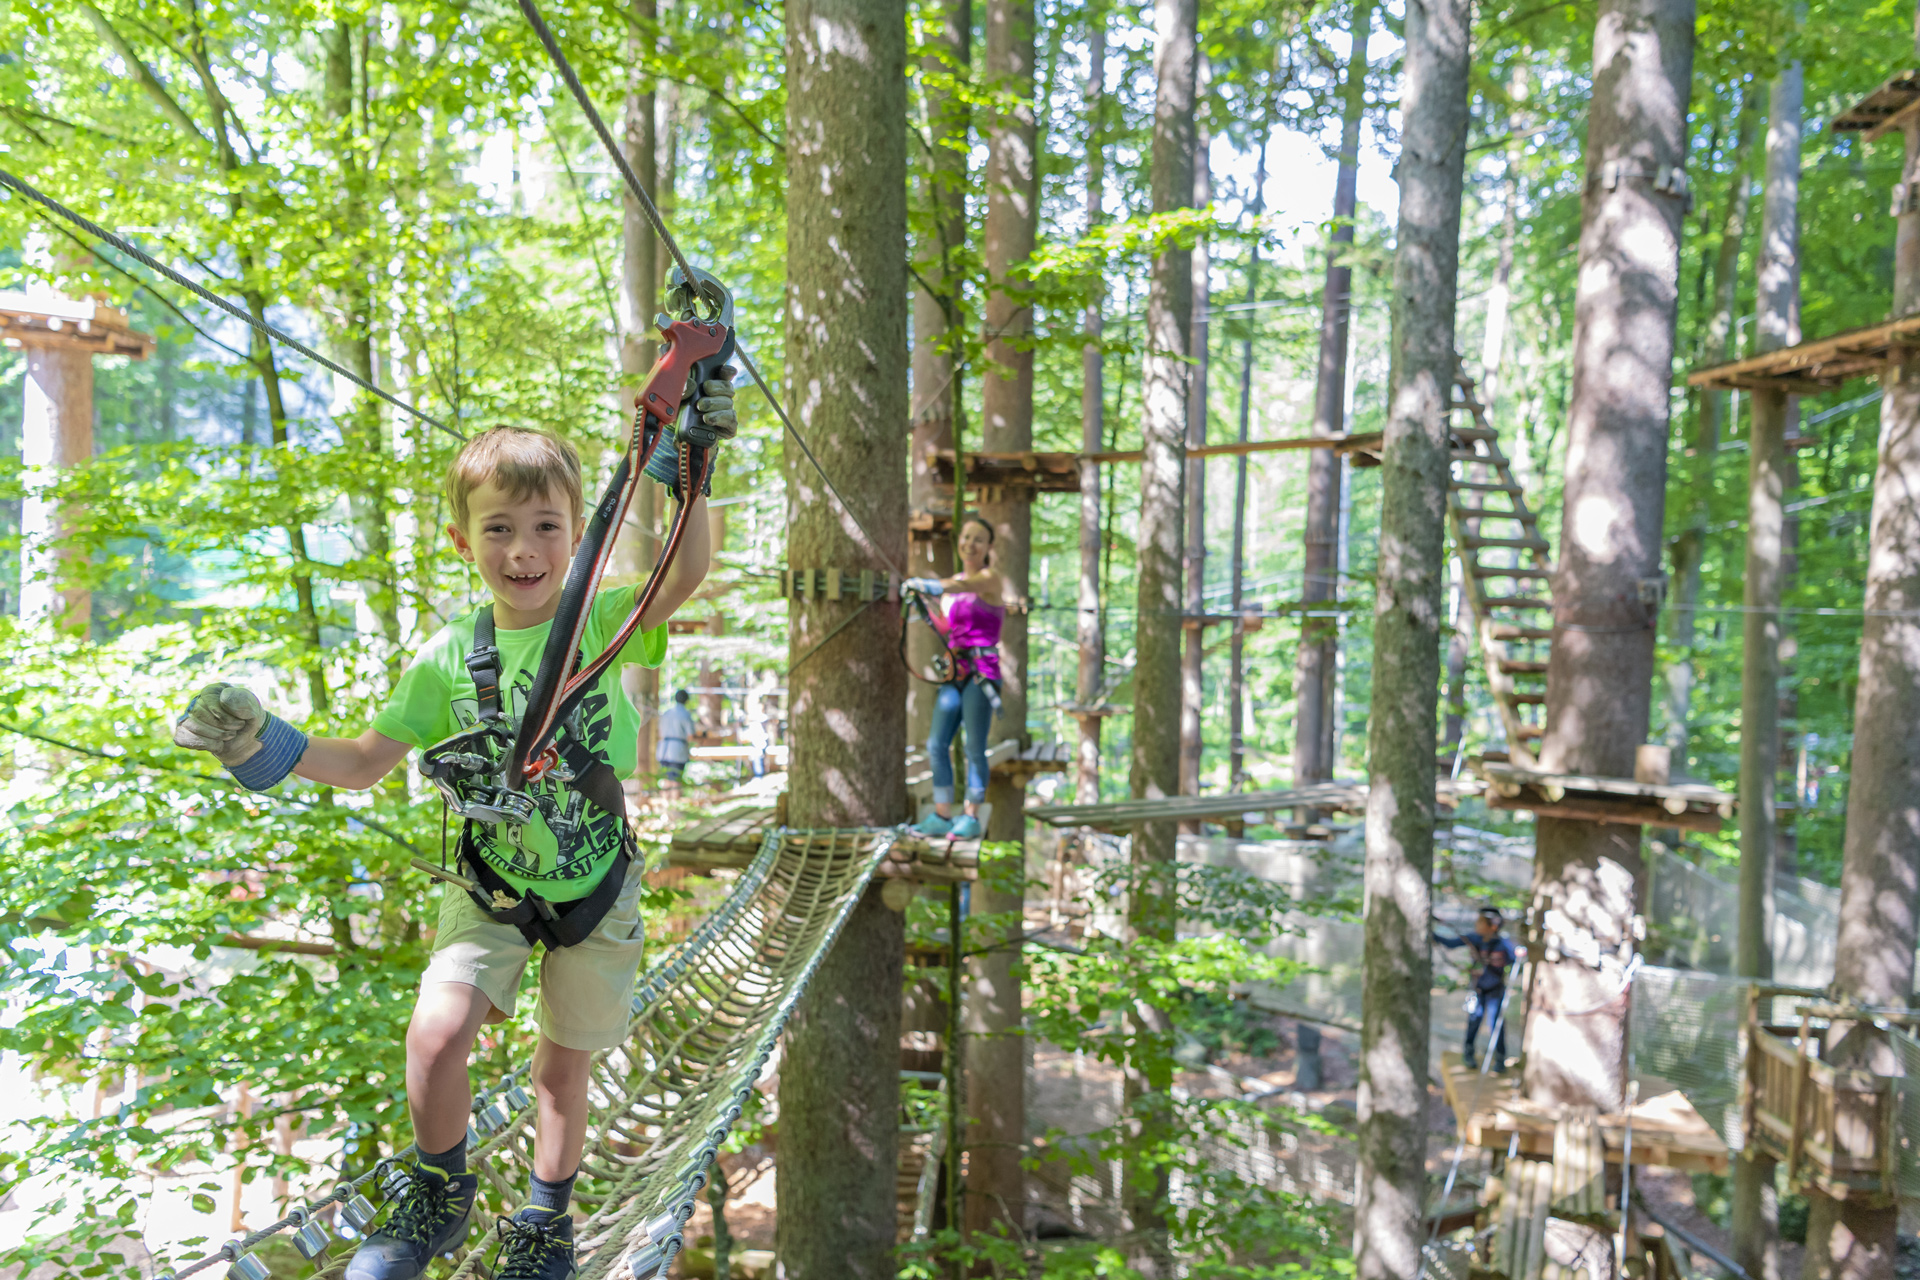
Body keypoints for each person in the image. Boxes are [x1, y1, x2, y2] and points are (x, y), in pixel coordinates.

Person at [170, 385, 733, 1280]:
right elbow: (362, 762)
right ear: (463, 541)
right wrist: (260, 745)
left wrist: (691, 471)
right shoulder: (445, 658)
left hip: (594, 885)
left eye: (548, 526)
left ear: (578, 531)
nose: (525, 549)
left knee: (561, 1068)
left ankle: (547, 1219)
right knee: (435, 1034)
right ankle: (441, 1189)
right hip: (492, 885)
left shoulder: (602, 623)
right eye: (500, 527)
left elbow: (684, 572)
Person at [902, 513, 1005, 840]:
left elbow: (962, 585)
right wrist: (923, 606)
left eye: (978, 539)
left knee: (974, 745)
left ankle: (971, 815)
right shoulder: (951, 590)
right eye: (966, 537)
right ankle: (943, 813)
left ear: (989, 546)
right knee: (936, 743)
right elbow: (947, 628)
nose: (969, 544)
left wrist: (929, 585)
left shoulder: (990, 579)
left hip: (981, 674)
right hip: (955, 673)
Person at [1436, 906, 1518, 1070]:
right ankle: (1468, 1053)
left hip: (1496, 989)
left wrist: (1520, 954)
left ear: (1493, 926)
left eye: (1480, 922)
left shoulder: (1503, 944)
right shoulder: (1474, 938)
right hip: (1478, 989)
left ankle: (1500, 1059)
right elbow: (1451, 943)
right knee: (1474, 1021)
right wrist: (1431, 934)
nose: (1476, 924)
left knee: (1496, 1023)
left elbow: (1516, 957)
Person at [657, 688, 695, 796]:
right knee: (676, 779)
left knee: (666, 778)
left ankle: (665, 805)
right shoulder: (685, 714)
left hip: (664, 749)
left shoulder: (667, 713)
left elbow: (660, 732)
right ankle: (674, 805)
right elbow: (691, 735)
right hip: (678, 750)